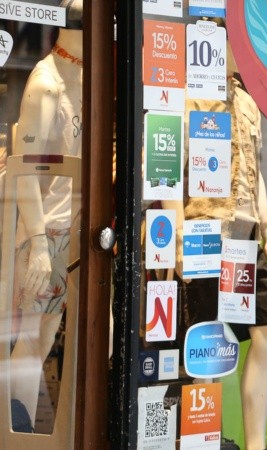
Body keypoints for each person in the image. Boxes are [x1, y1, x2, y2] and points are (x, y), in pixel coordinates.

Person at [164, 41, 267, 450]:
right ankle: (202, 437)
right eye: (236, 44)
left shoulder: (249, 103)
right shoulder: (185, 98)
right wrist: (177, 238)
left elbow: (257, 169)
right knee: (207, 344)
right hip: (205, 235)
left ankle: (255, 443)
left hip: (245, 238)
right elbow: (169, 172)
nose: (243, 52)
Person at [9, 0, 83, 432]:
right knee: (36, 337)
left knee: (51, 335)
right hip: (48, 230)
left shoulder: (84, 79)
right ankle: (17, 431)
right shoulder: (47, 83)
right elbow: (24, 170)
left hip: (78, 229)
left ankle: (43, 430)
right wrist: (37, 242)